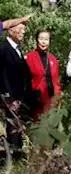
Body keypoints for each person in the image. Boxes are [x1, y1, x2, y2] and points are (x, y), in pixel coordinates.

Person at [0, 18, 36, 161]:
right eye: (20, 29)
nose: (23, 32)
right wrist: (8, 97)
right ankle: (13, 157)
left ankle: (19, 155)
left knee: (19, 125)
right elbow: (2, 74)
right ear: (10, 30)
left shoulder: (17, 49)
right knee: (12, 126)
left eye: (24, 30)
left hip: (20, 96)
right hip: (10, 96)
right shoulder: (4, 49)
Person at [25, 29, 61, 118]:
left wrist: (59, 98)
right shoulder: (29, 58)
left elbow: (56, 82)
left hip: (52, 101)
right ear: (36, 40)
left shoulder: (53, 60)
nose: (43, 42)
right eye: (41, 38)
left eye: (46, 39)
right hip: (36, 100)